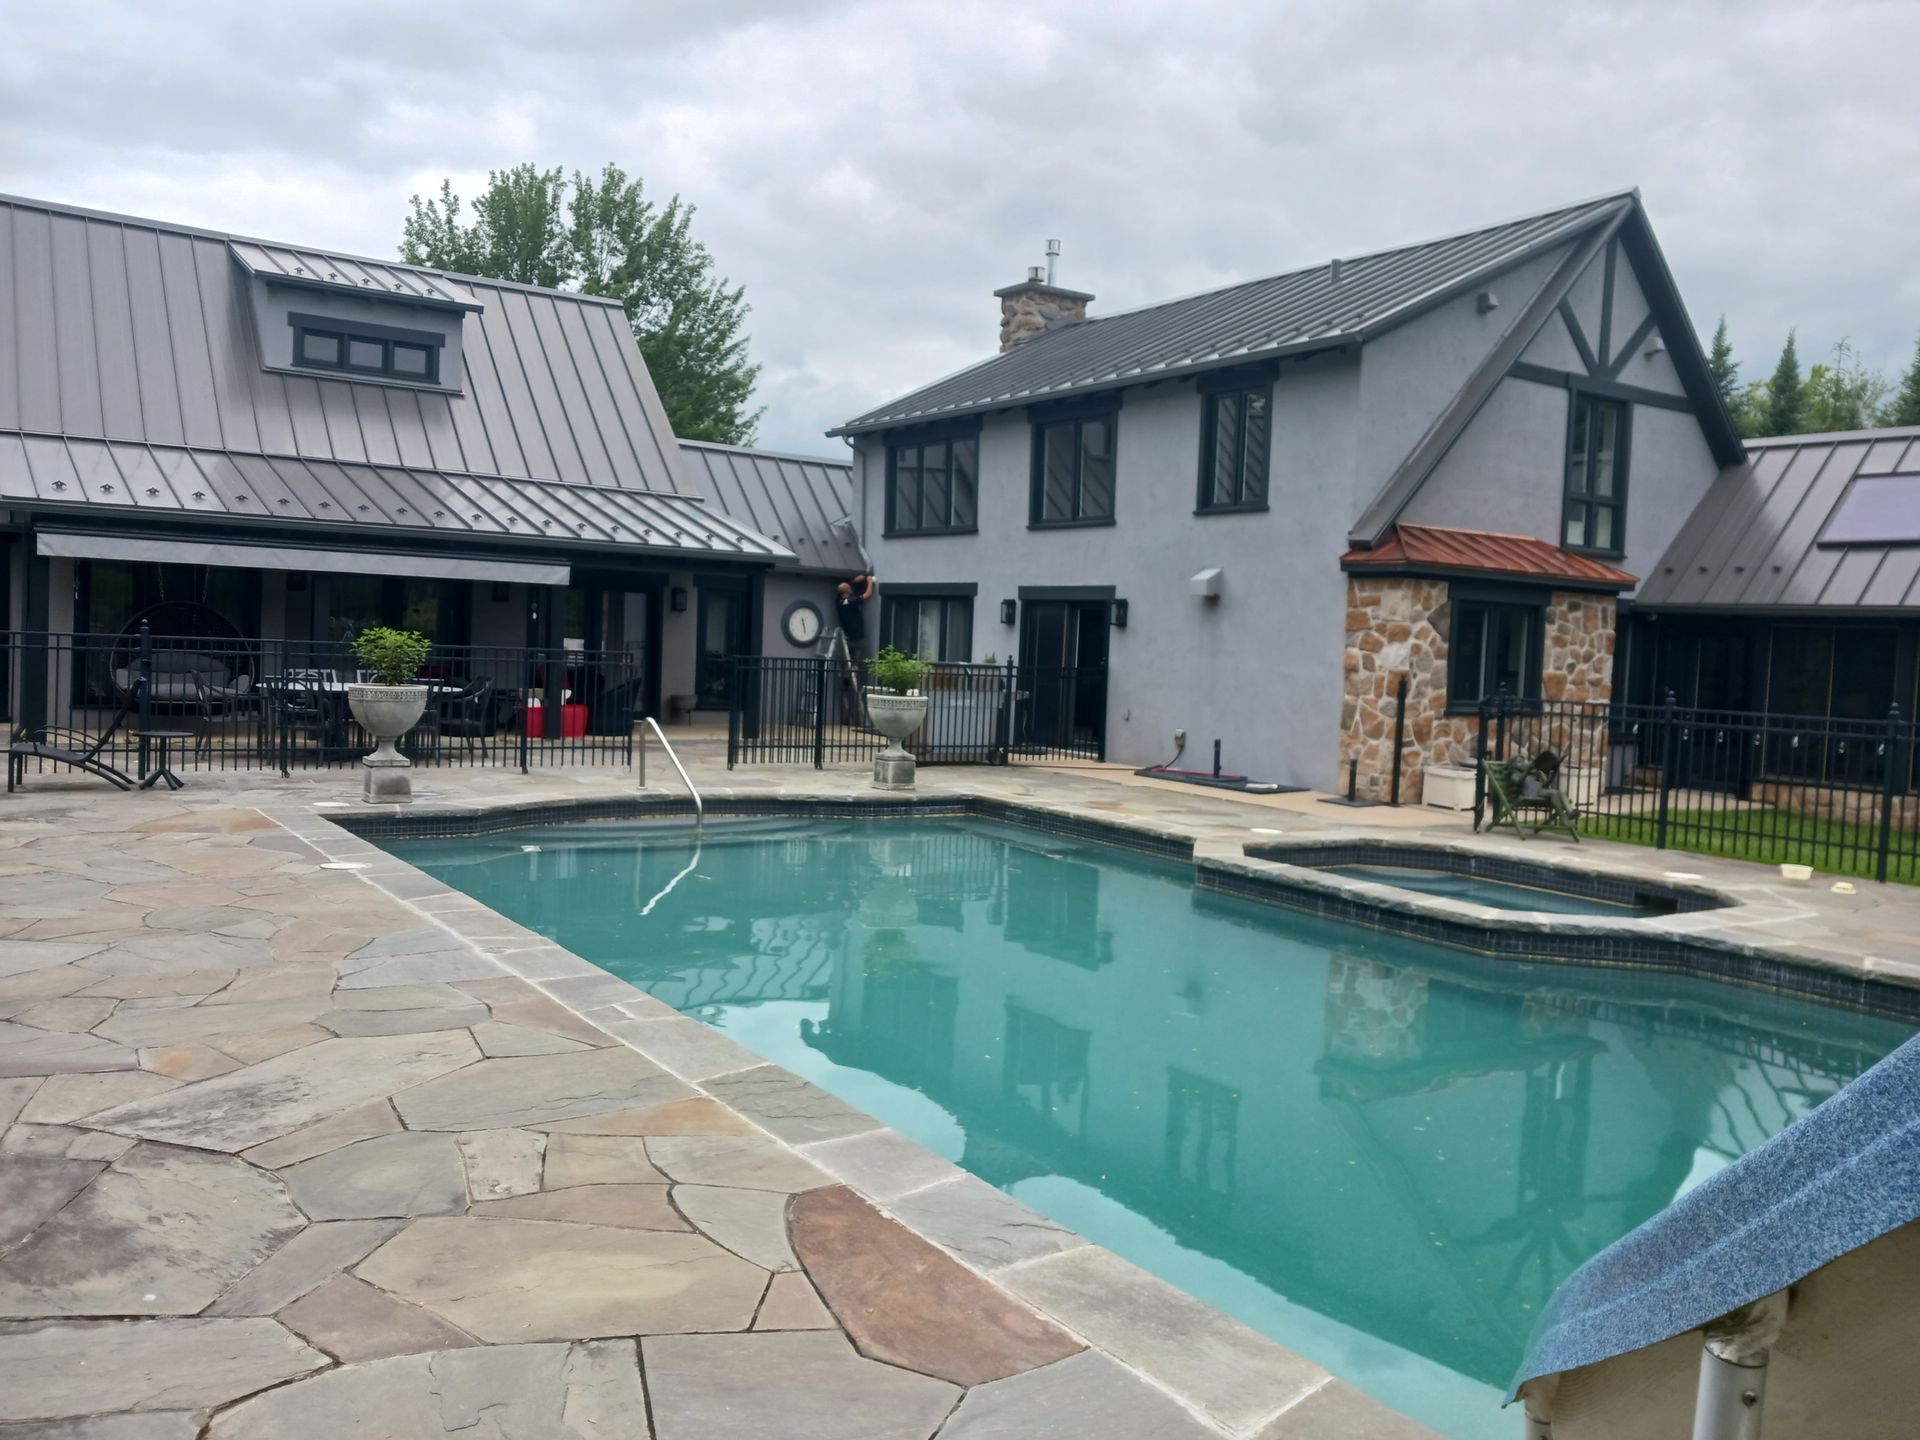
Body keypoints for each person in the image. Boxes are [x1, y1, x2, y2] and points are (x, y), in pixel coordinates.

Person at [836, 573, 874, 657]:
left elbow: (842, 588)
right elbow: (868, 594)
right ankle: (855, 668)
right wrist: (870, 581)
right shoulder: (851, 602)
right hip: (858, 639)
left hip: (847, 638)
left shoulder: (838, 601)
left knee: (848, 661)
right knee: (857, 663)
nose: (851, 590)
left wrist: (855, 580)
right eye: (850, 589)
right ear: (847, 592)